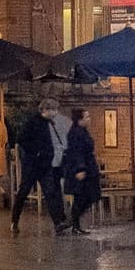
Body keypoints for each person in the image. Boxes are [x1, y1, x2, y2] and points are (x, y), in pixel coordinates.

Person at [10, 97, 67, 236]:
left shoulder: (50, 124)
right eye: (53, 110)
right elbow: (22, 139)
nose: (55, 112)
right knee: (23, 193)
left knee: (50, 193)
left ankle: (58, 223)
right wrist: (36, 152)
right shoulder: (33, 123)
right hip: (32, 165)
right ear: (45, 110)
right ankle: (14, 221)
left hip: (45, 165)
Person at [62, 107, 102, 235]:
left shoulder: (83, 132)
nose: (89, 119)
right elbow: (76, 153)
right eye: (87, 117)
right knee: (82, 196)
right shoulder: (76, 133)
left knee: (89, 196)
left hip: (88, 168)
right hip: (81, 170)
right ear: (79, 120)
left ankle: (73, 221)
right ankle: (73, 222)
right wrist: (80, 169)